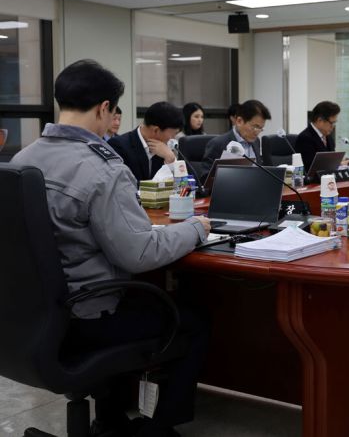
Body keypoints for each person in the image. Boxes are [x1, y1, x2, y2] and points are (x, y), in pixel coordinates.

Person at [11, 59, 211, 437]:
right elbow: (139, 253)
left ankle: (110, 419)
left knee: (134, 301)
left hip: (26, 320)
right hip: (85, 319)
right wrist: (195, 229)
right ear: (104, 107)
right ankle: (156, 429)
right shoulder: (103, 168)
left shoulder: (23, 159)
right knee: (194, 322)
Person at [108, 102, 182, 184]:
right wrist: (169, 161)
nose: (173, 138)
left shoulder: (165, 149)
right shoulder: (118, 146)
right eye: (173, 134)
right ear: (156, 130)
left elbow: (182, 185)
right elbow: (126, 185)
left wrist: (171, 159)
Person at [202, 99, 270, 176]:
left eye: (261, 128)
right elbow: (205, 178)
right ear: (239, 121)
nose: (257, 132)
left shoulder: (256, 141)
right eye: (255, 127)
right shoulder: (217, 144)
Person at [295, 101, 339, 172]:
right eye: (331, 123)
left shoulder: (328, 137)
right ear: (320, 120)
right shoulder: (305, 138)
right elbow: (309, 167)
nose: (333, 126)